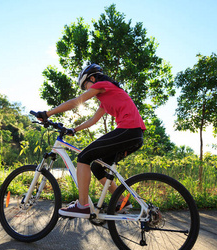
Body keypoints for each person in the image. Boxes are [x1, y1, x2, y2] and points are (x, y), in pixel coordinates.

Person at [37, 63, 146, 218]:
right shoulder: (107, 97)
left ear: (93, 78)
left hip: (129, 130)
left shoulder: (103, 85)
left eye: (86, 85)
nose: (86, 89)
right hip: (134, 135)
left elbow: (77, 101)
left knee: (83, 157)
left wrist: (48, 113)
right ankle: (123, 201)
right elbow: (93, 120)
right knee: (97, 166)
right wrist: (74, 130)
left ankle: (82, 206)